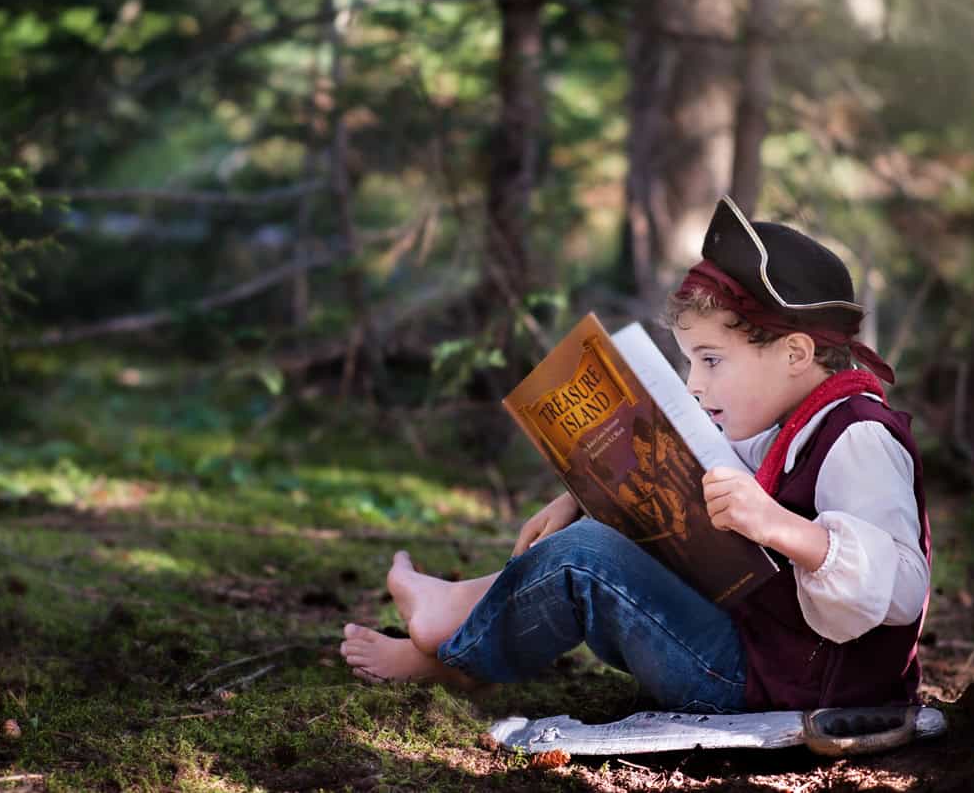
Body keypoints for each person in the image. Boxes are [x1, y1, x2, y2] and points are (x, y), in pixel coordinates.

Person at [340, 196, 931, 712]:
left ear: (796, 354)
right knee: (605, 532)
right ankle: (460, 612)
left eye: (711, 360)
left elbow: (905, 587)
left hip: (776, 684)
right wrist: (586, 496)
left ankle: (455, 658)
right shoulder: (787, 423)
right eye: (691, 362)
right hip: (760, 657)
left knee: (586, 558)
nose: (695, 384)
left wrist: (779, 526)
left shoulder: (858, 434)